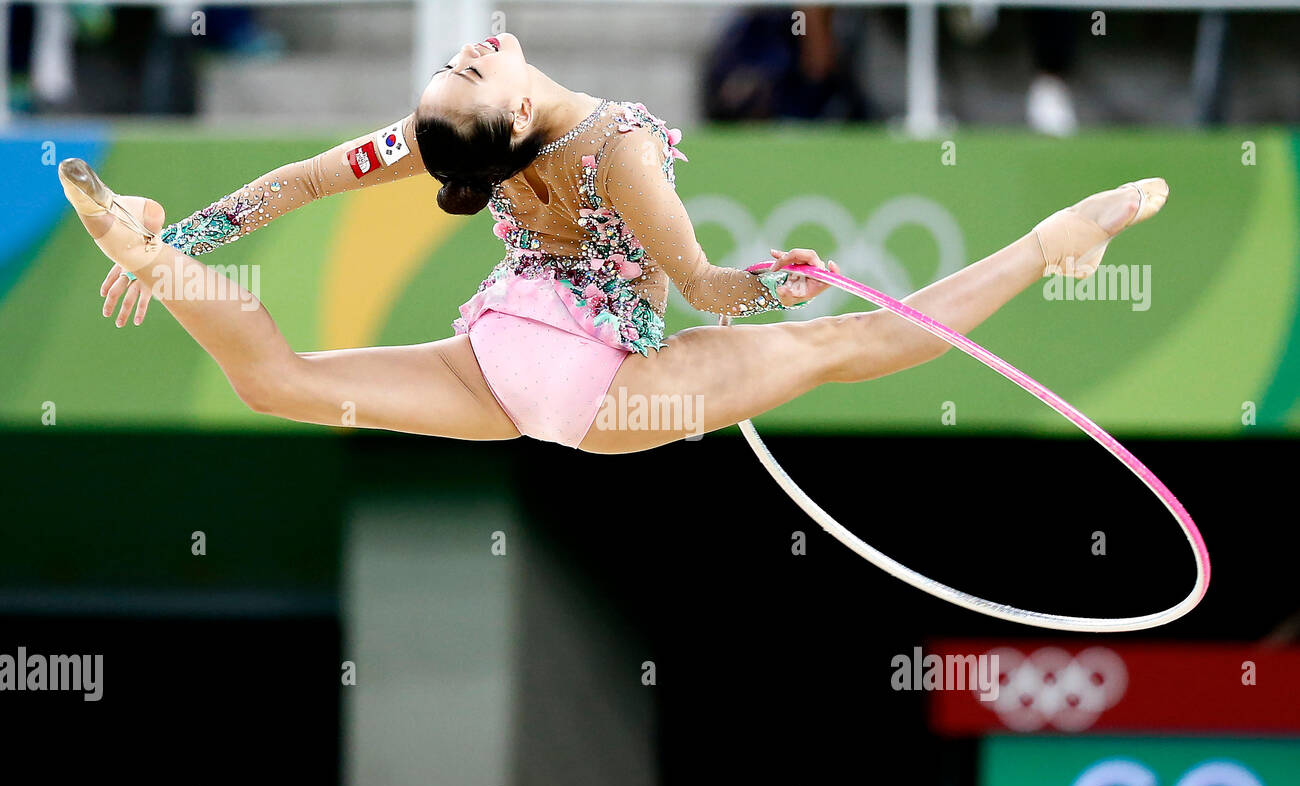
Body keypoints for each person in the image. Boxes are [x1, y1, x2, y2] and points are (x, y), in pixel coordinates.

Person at [57, 32, 1167, 454]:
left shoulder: (486, 141)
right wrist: (765, 286)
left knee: (279, 382)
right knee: (857, 346)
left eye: (461, 63)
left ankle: (161, 265)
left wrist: (196, 229)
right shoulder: (603, 144)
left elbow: (298, 183)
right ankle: (1042, 244)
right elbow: (705, 287)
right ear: (496, 122)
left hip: (504, 363)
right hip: (589, 388)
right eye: (469, 68)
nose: (476, 48)